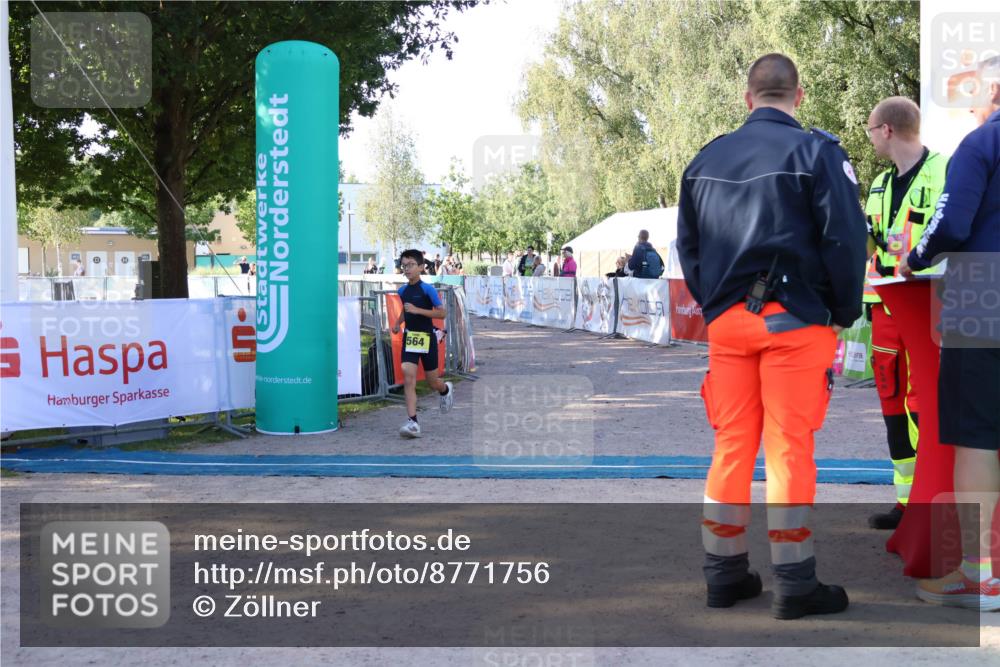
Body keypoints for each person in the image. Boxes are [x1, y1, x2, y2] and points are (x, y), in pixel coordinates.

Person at [676, 53, 866, 619]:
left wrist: (718, 305)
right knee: (789, 450)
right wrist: (842, 309)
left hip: (729, 324)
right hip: (795, 320)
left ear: (747, 97)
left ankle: (724, 574)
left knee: (731, 445)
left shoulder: (705, 159)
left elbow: (689, 248)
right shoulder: (818, 152)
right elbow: (845, 238)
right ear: (799, 96)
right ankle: (794, 582)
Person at [899, 55, 1000, 610]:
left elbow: (952, 221)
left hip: (985, 300)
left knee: (977, 437)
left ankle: (980, 575)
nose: (967, 97)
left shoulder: (981, 144)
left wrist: (914, 258)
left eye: (974, 87)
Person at [862, 97, 948, 530]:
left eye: (870, 129)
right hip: (885, 307)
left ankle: (932, 499)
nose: (870, 135)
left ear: (888, 130)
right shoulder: (878, 183)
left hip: (928, 304)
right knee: (892, 400)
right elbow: (875, 242)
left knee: (924, 402)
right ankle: (905, 501)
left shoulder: (944, 170)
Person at [390, 249, 454, 438]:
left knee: (432, 381)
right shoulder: (402, 291)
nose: (406, 269)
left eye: (410, 265)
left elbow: (442, 313)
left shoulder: (428, 289)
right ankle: (413, 423)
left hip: (427, 338)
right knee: (408, 377)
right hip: (410, 339)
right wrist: (397, 323)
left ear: (420, 267)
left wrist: (419, 310)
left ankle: (445, 390)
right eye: (404, 265)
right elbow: (405, 310)